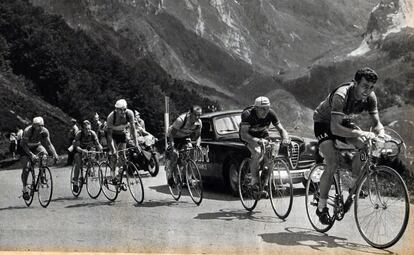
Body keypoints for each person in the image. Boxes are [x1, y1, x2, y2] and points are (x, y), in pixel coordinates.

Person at [313, 67, 385, 225]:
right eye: (365, 86)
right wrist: (361, 133)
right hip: (324, 123)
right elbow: (334, 129)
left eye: (371, 87)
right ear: (355, 83)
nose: (368, 90)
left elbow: (377, 123)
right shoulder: (342, 94)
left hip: (341, 122)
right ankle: (321, 207)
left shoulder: (370, 97)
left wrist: (382, 133)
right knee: (332, 163)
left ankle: (352, 185)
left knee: (365, 146)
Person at [239, 96, 291, 195]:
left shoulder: (271, 113)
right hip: (249, 136)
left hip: (263, 135)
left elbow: (281, 129)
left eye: (267, 108)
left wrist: (285, 138)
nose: (265, 111)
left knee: (271, 157)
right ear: (256, 108)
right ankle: (254, 181)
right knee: (257, 152)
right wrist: (257, 141)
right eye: (262, 109)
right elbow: (244, 134)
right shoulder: (247, 114)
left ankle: (264, 182)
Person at [19, 117, 59, 200]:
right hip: (25, 148)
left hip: (36, 145)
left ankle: (42, 173)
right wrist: (31, 155)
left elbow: (49, 144)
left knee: (44, 154)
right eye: (36, 126)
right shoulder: (28, 131)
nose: (38, 128)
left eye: (40, 126)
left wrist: (55, 154)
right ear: (33, 125)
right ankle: (25, 188)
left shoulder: (44, 131)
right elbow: (23, 145)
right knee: (26, 168)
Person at [166, 105, 203, 186]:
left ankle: (188, 178)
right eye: (196, 115)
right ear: (190, 114)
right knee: (175, 156)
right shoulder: (181, 120)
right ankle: (170, 176)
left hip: (184, 137)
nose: (197, 117)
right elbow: (172, 134)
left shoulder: (199, 123)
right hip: (173, 136)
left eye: (199, 115)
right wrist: (173, 148)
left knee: (191, 151)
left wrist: (197, 144)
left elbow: (198, 136)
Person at [106, 99, 140, 182]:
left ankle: (119, 176)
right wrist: (113, 149)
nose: (123, 112)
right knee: (114, 155)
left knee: (123, 157)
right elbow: (109, 136)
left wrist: (136, 144)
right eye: (120, 110)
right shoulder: (111, 117)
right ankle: (112, 175)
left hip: (122, 134)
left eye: (124, 109)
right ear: (116, 109)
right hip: (112, 135)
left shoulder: (129, 113)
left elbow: (133, 130)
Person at [72, 120, 103, 193]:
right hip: (79, 149)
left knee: (92, 154)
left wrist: (101, 150)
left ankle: (89, 168)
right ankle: (75, 182)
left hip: (89, 148)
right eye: (86, 129)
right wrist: (82, 151)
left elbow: (97, 144)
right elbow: (77, 147)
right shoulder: (79, 134)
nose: (88, 130)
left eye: (89, 128)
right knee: (78, 163)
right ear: (83, 129)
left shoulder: (93, 133)